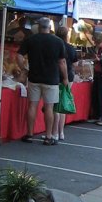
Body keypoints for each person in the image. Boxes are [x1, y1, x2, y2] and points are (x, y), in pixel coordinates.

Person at [16, 17, 68, 146]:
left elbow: (19, 55)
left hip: (34, 77)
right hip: (51, 79)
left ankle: (30, 134)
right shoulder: (58, 41)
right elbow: (62, 62)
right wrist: (65, 78)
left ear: (39, 27)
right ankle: (48, 136)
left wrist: (24, 68)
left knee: (32, 105)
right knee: (49, 107)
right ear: (50, 27)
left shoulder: (30, 40)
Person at [52, 26, 78, 141]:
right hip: (69, 77)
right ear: (67, 35)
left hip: (56, 77)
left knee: (55, 106)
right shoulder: (71, 48)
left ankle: (54, 133)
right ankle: (61, 132)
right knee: (62, 105)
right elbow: (75, 64)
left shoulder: (54, 46)